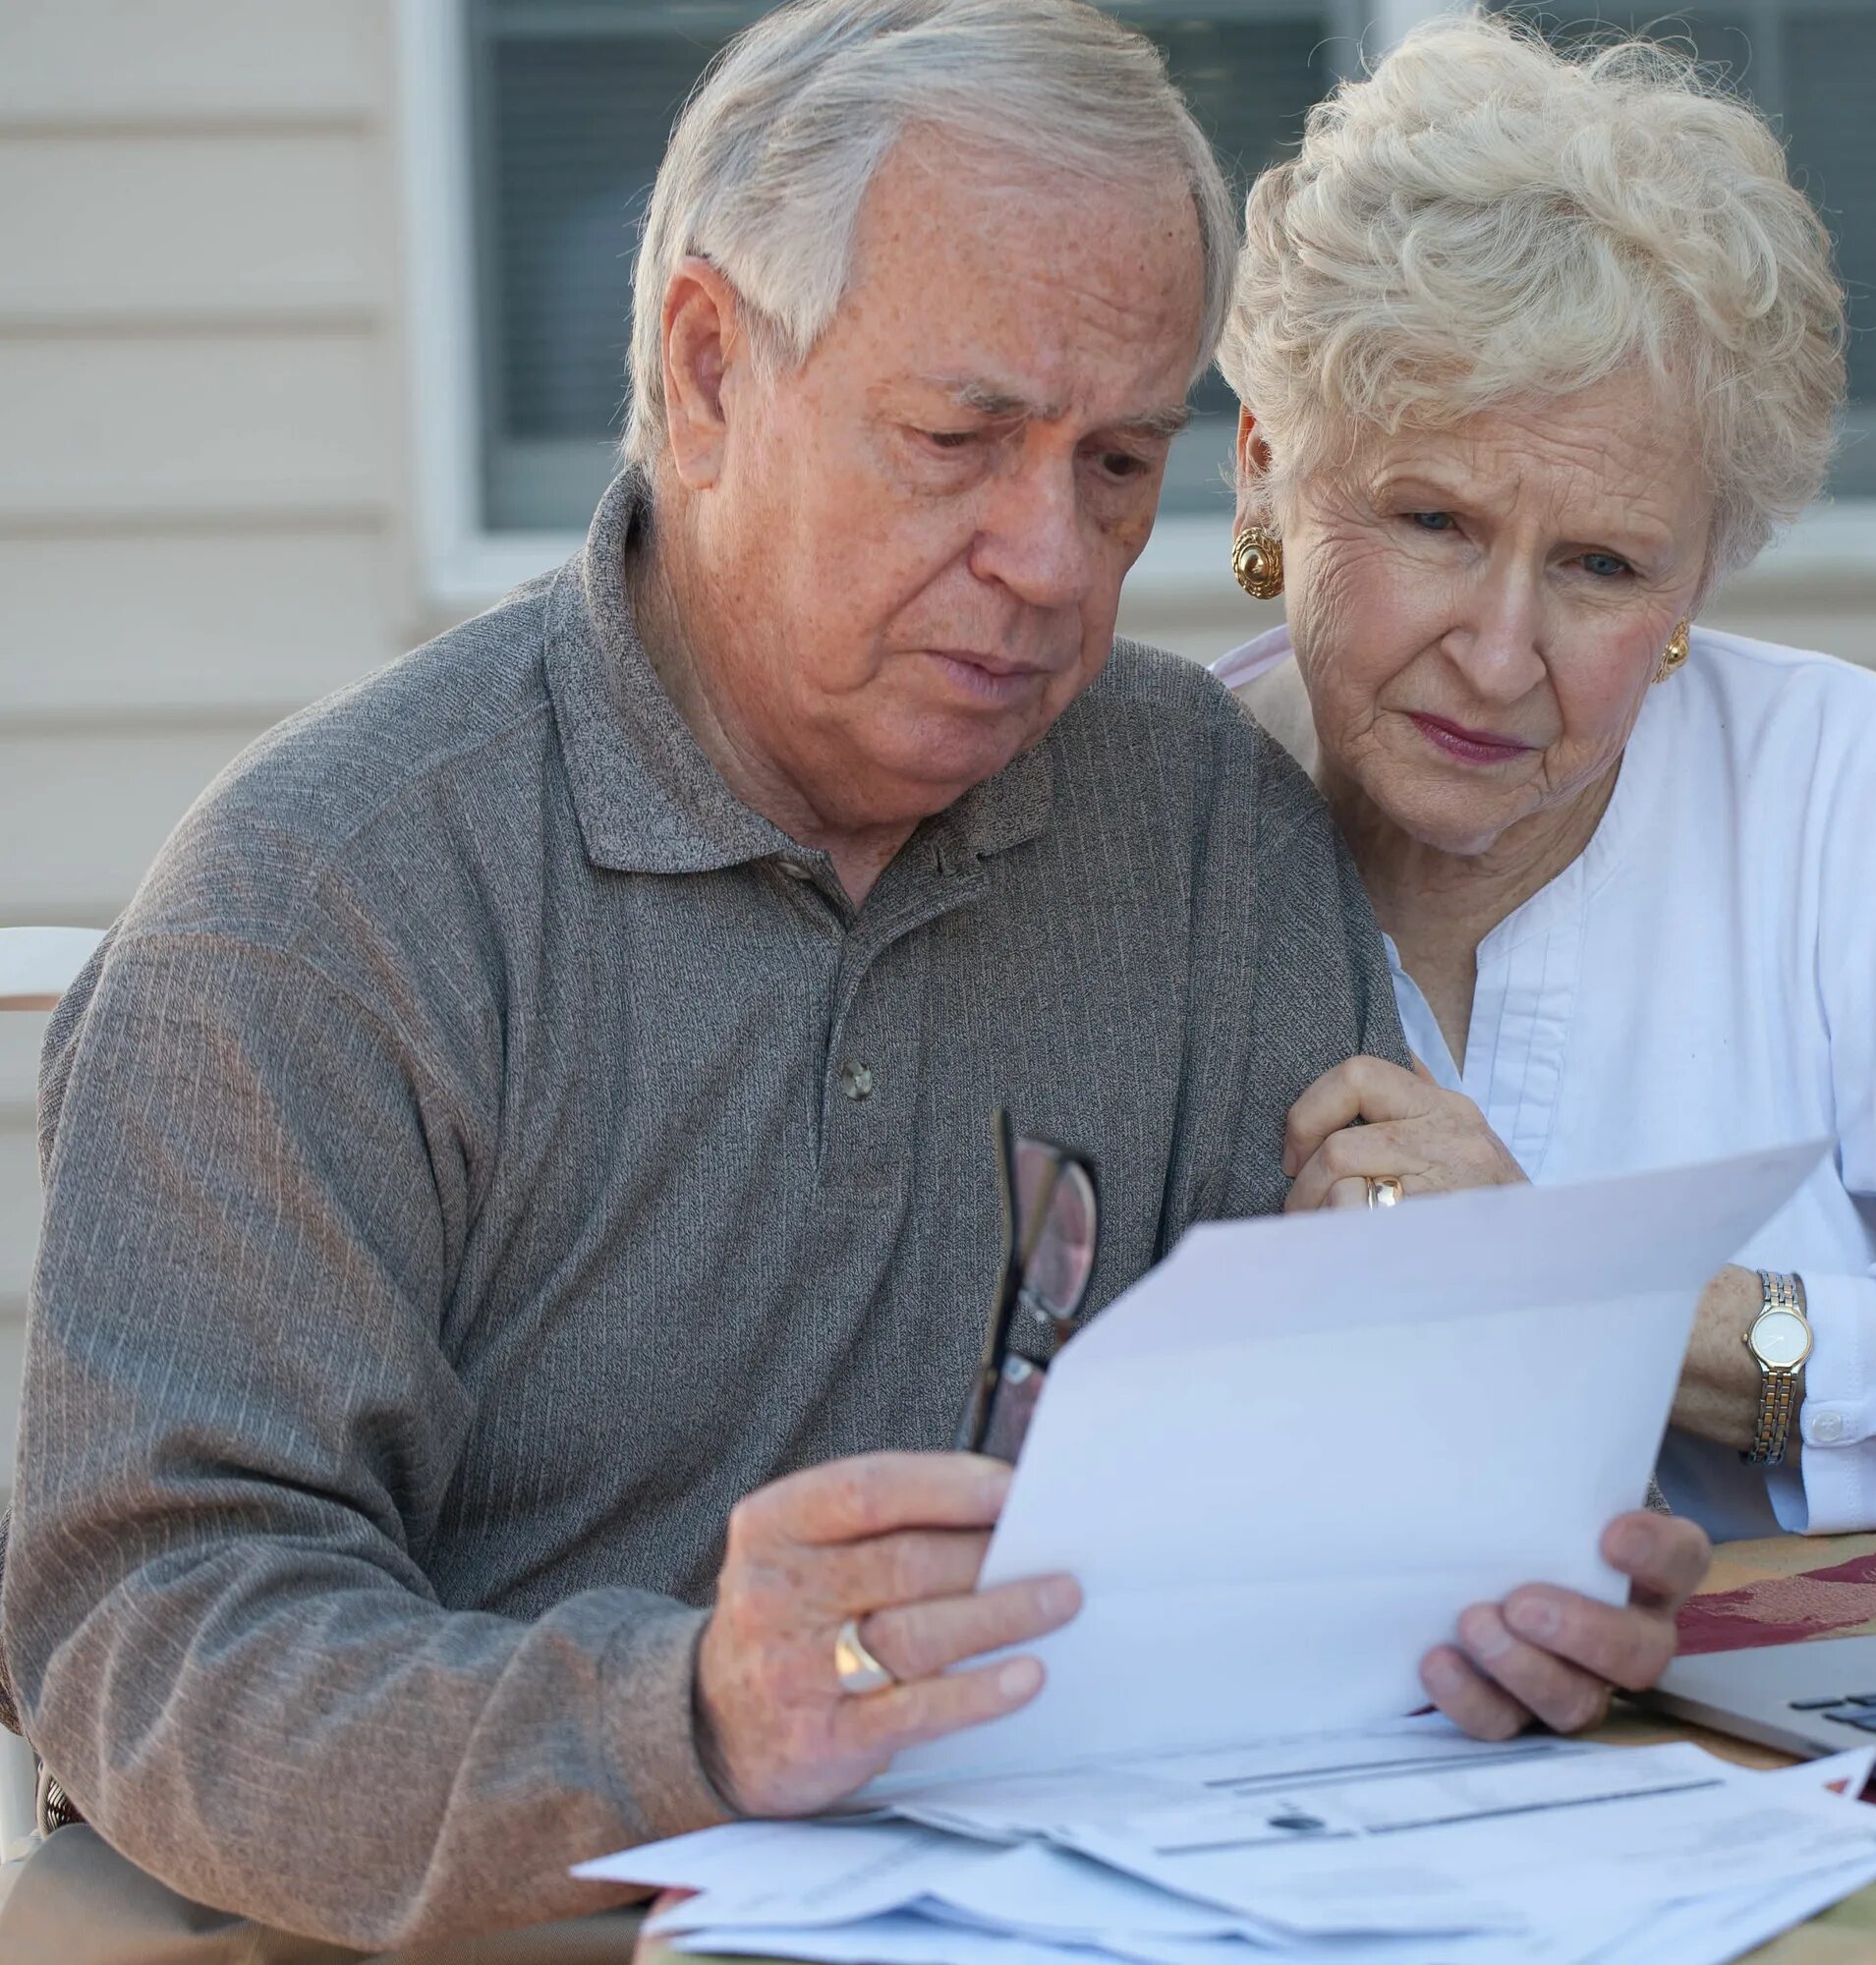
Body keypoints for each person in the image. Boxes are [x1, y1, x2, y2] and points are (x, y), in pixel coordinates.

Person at [0, 5, 1709, 1956]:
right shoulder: (324, 908)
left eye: (1120, 460)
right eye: (961, 440)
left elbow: (1276, 1523)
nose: (1053, 558)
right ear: (711, 370)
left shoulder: (1207, 832)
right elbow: (159, 1639)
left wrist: (1479, 1580)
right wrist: (696, 1719)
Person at [1224, 16, 1876, 1552]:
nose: (1503, 653)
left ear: (1701, 580)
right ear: (1263, 472)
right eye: (1432, 520)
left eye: (1602, 565)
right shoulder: (1144, 829)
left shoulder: (1840, 787)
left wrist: (1591, 1297)